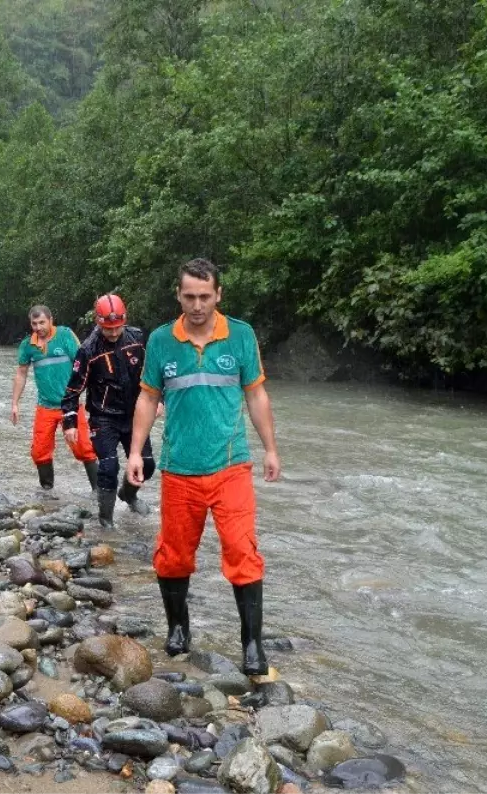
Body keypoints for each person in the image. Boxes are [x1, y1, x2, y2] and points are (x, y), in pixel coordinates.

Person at [126, 257, 282, 676]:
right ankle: (178, 629)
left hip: (231, 465)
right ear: (178, 295)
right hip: (179, 468)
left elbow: (256, 395)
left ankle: (252, 646)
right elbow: (147, 399)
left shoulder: (241, 336)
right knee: (174, 556)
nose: (197, 305)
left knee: (241, 551)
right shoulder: (160, 341)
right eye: (190, 296)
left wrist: (270, 449)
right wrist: (136, 452)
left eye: (205, 296)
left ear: (218, 295)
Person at [61, 293, 155, 529]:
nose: (113, 333)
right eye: (107, 328)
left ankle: (129, 495)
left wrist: (159, 399)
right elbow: (73, 388)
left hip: (135, 414)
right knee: (108, 467)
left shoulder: (138, 338)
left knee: (148, 464)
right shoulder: (88, 350)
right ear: (98, 322)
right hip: (103, 417)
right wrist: (70, 423)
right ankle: (106, 521)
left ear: (125, 320)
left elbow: (154, 374)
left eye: (117, 327)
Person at [11, 305, 98, 492]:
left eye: (42, 322)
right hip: (45, 406)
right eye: (34, 323)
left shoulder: (65, 335)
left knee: (83, 448)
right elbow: (21, 373)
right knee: (39, 452)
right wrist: (15, 404)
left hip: (71, 404)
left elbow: (83, 365)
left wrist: (92, 394)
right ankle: (47, 491)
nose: (38, 327)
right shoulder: (28, 345)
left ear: (51, 320)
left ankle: (99, 492)